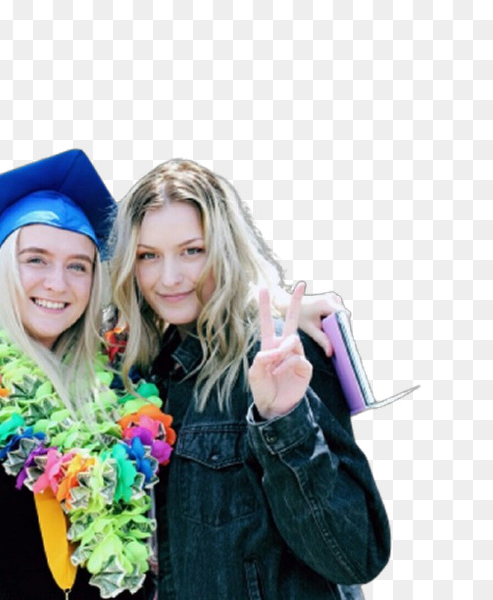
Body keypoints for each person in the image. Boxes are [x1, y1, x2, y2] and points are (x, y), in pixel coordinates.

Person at [0, 150, 345, 600]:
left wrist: (275, 308)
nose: (58, 282)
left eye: (79, 265)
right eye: (35, 259)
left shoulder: (123, 375)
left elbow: (188, 304)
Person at [109, 159, 391, 599]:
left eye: (192, 250)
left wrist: (283, 420)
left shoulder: (280, 356)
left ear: (224, 248)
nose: (169, 278)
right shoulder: (140, 375)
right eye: (148, 256)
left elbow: (355, 555)